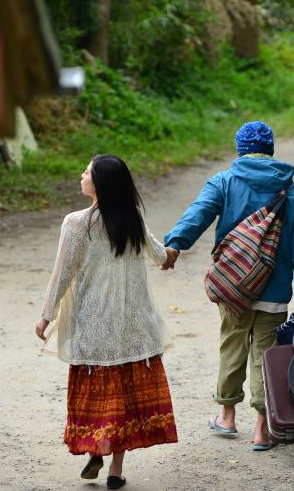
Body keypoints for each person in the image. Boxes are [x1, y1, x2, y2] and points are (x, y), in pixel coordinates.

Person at [162, 121, 294, 451]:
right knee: (267, 356)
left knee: (232, 347)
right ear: (271, 149)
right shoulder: (293, 191)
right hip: (273, 291)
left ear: (240, 149)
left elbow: (198, 213)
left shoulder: (225, 182)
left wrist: (175, 245)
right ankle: (263, 429)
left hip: (234, 289)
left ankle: (228, 417)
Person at [34, 154, 179, 490]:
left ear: (99, 184)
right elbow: (159, 255)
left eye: (87, 171)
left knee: (100, 395)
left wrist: (46, 315)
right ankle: (115, 471)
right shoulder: (133, 219)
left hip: (92, 328)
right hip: (132, 328)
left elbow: (62, 275)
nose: (81, 174)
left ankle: (96, 447)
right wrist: (173, 254)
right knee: (126, 398)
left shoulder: (76, 223)